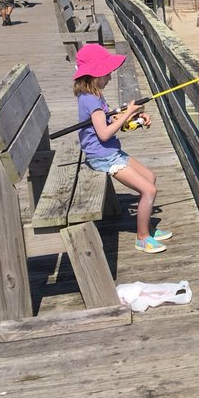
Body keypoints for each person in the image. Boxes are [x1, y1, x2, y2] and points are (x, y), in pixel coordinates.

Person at [73, 44, 170, 254]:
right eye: (107, 72)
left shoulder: (94, 95)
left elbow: (111, 119)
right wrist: (127, 113)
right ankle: (142, 237)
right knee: (149, 190)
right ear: (95, 74)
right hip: (103, 157)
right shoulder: (91, 101)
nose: (110, 76)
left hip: (110, 152)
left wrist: (135, 116)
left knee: (150, 177)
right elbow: (104, 133)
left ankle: (147, 228)